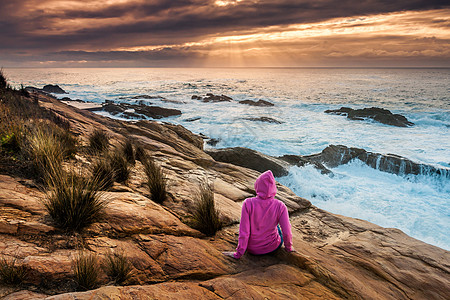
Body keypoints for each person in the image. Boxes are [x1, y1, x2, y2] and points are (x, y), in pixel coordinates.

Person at [223, 170, 294, 259]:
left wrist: (239, 253)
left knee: (250, 225)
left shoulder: (248, 203)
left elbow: (244, 232)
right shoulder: (280, 206)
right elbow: (287, 232)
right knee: (278, 227)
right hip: (272, 247)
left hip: (252, 249)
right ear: (273, 187)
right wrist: (288, 248)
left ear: (257, 185)